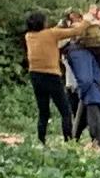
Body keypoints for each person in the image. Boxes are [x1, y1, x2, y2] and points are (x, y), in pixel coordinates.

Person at [58, 13, 100, 154]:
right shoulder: (81, 49)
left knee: (96, 123)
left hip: (93, 91)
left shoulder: (74, 52)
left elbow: (85, 78)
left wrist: (82, 91)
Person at [19, 10, 75, 143]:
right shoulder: (52, 34)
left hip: (35, 75)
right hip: (51, 75)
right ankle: (69, 141)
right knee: (65, 111)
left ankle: (41, 140)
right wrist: (88, 22)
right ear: (42, 23)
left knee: (43, 111)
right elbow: (74, 32)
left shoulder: (29, 36)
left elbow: (49, 33)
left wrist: (60, 25)